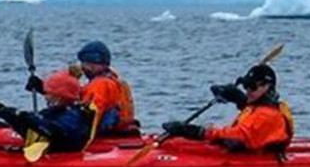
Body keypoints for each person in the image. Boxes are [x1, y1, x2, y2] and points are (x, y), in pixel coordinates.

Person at [161, 64, 293, 152]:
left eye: (252, 87)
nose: (248, 91)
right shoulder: (261, 108)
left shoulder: (267, 115)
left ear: (267, 86)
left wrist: (198, 132)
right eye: (246, 86)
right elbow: (250, 113)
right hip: (249, 143)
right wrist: (236, 97)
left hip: (252, 151)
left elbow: (237, 137)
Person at [0, 70, 96, 153]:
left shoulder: (73, 117)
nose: (46, 96)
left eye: (49, 94)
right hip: (51, 149)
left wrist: (28, 118)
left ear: (59, 97)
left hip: (62, 154)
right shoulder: (53, 112)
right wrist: (8, 115)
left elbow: (52, 131)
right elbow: (30, 129)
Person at [74, 40, 140, 136]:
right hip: (124, 131)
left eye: (84, 63)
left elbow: (93, 114)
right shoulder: (115, 81)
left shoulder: (100, 85)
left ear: (92, 63)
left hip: (109, 134)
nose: (82, 67)